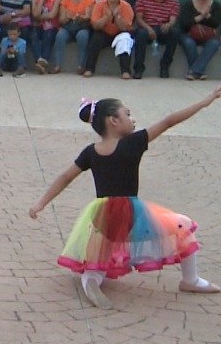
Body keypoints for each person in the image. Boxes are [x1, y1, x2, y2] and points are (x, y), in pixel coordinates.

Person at [29, 92, 221, 308]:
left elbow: (66, 177)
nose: (133, 119)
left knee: (99, 260)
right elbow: (169, 121)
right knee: (183, 224)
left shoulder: (91, 152)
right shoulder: (133, 142)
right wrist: (206, 101)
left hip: (102, 219)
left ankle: (90, 280)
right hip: (132, 216)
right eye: (128, 114)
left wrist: (41, 203)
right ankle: (190, 280)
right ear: (113, 121)